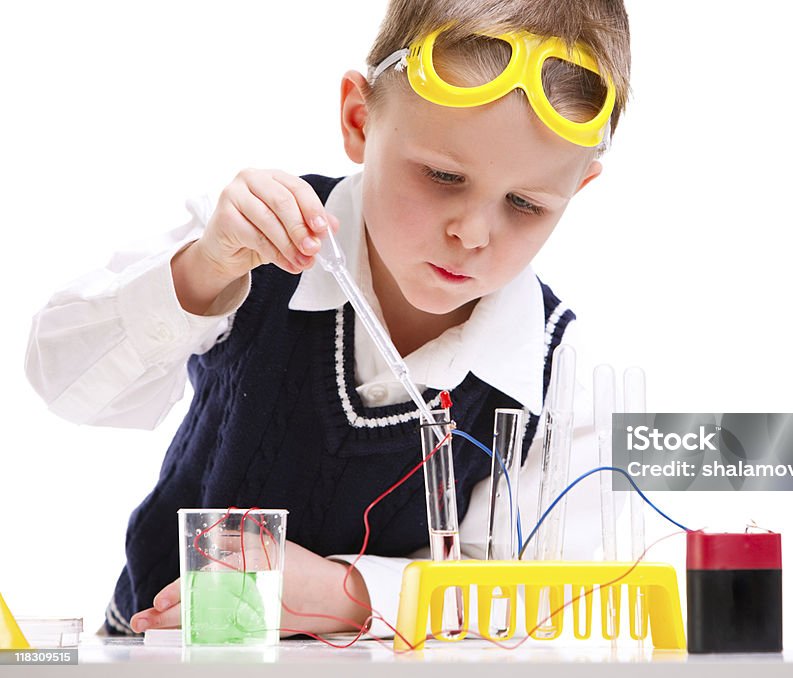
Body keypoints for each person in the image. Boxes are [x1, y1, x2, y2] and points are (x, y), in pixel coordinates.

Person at [25, 0, 631, 638]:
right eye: (443, 175)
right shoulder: (250, 244)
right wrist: (202, 271)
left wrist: (350, 594)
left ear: (578, 188)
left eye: (526, 204)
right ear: (359, 118)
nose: (473, 233)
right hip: (161, 652)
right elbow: (63, 383)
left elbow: (554, 600)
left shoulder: (559, 374)